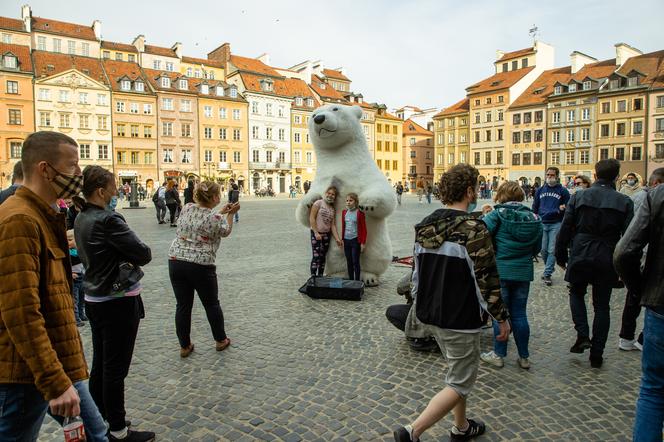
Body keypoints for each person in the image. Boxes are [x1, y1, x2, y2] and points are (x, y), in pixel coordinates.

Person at [393, 164, 510, 442]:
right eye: (477, 187)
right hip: (460, 316)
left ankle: (461, 427)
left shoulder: (426, 225)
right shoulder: (473, 229)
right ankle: (412, 432)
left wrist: (420, 307)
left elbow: (417, 276)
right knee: (460, 382)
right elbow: (486, 279)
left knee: (457, 373)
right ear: (470, 191)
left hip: (430, 312)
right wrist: (500, 317)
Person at [0, 131, 88, 440]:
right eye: (73, 165)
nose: (79, 174)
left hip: (42, 367)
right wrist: (54, 380)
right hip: (21, 377)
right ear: (45, 169)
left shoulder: (40, 214)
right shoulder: (19, 220)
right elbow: (21, 312)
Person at [75, 165, 154, 441]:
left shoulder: (82, 216)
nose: (116, 189)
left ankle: (100, 420)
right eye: (112, 186)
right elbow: (143, 253)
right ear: (100, 191)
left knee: (101, 364)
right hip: (117, 299)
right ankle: (118, 430)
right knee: (115, 368)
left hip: (94, 297)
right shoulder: (108, 220)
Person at [555, 159, 633, 369]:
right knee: (602, 305)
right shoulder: (624, 201)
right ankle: (597, 354)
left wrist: (560, 254)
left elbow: (566, 227)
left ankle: (582, 333)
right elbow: (629, 238)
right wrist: (625, 268)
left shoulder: (579, 196)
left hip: (581, 249)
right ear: (617, 177)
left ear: (596, 175)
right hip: (607, 254)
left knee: (576, 292)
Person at [614, 183, 664, 441]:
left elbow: (624, 252)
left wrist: (639, 289)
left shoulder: (658, 195)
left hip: (660, 303)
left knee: (654, 390)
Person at [168, 181, 238, 358]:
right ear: (214, 197)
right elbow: (226, 230)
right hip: (200, 265)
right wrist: (230, 214)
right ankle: (220, 340)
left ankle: (184, 346)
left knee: (182, 305)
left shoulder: (187, 208)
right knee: (211, 304)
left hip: (176, 260)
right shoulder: (214, 219)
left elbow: (202, 217)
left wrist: (221, 211)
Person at [479, 181, 542, 370]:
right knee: (520, 314)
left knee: (501, 314)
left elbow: (481, 234)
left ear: (502, 195)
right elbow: (537, 248)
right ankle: (524, 357)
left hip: (502, 270)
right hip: (523, 272)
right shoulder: (533, 217)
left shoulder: (497, 214)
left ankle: (498, 354)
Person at [617, 168, 664, 352]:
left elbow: (623, 250)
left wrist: (633, 283)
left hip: (642, 252)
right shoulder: (643, 197)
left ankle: (628, 337)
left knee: (634, 298)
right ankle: (639, 339)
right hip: (645, 254)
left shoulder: (644, 197)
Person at [532, 166, 570, 286]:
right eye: (548, 175)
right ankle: (550, 268)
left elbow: (568, 205)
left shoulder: (562, 191)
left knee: (552, 250)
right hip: (542, 222)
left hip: (556, 222)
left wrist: (561, 210)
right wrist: (535, 217)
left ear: (557, 176)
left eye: (552, 175)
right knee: (543, 250)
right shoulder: (540, 190)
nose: (549, 177)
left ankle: (547, 273)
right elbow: (535, 206)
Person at [309, 186, 342, 276]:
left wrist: (337, 239)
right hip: (316, 234)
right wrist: (316, 232)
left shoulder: (332, 209)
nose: (330, 196)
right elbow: (312, 218)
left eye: (333, 194)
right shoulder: (318, 203)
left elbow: (333, 225)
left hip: (327, 235)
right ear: (325, 193)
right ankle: (313, 277)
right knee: (316, 257)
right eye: (329, 193)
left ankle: (320, 276)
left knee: (323, 257)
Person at [342, 193, 367, 281]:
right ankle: (351, 280)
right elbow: (343, 226)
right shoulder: (344, 212)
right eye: (347, 200)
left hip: (355, 240)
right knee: (349, 262)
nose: (348, 202)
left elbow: (364, 229)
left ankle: (357, 281)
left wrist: (363, 243)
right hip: (346, 240)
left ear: (355, 202)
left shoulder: (359, 213)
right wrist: (342, 239)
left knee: (355, 261)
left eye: (351, 200)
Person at [67, 229, 88, 327]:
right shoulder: (67, 253)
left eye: (70, 240)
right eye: (66, 240)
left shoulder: (80, 251)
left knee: (82, 298)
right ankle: (76, 318)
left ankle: (81, 314)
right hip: (74, 280)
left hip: (82, 277)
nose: (68, 242)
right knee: (75, 299)